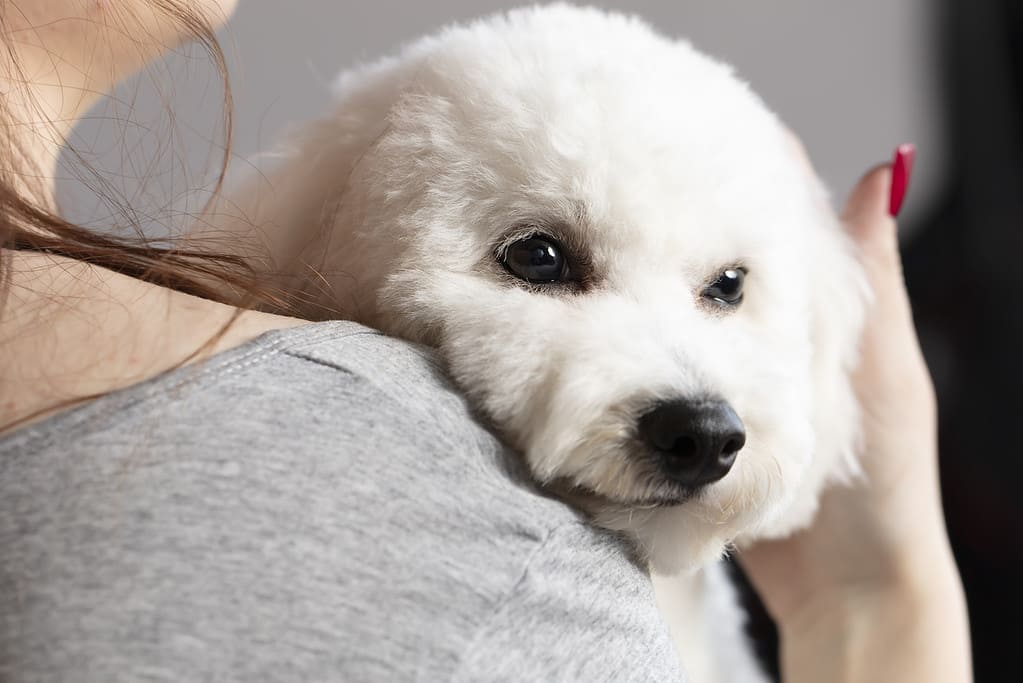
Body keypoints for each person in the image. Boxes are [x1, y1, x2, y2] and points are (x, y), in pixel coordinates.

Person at [0, 1, 971, 681]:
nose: (695, 397)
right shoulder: (477, 564)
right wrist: (881, 606)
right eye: (541, 259)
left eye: (725, 288)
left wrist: (859, 589)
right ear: (340, 243)